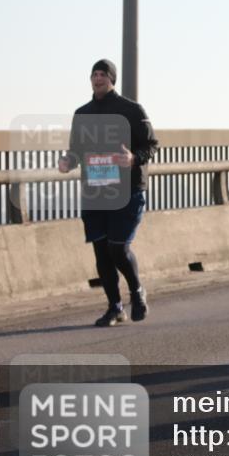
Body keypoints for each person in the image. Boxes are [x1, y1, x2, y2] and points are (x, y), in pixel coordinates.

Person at [58, 59, 159, 327]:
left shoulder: (132, 110)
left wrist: (134, 158)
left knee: (118, 248)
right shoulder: (82, 113)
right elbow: (76, 150)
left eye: (103, 74)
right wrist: (68, 161)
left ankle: (137, 291)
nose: (98, 78)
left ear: (112, 79)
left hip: (127, 191)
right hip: (95, 192)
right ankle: (115, 307)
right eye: (94, 74)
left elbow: (151, 145)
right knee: (101, 253)